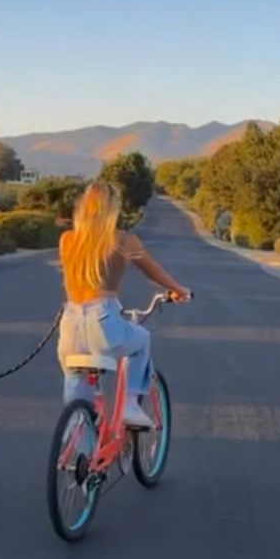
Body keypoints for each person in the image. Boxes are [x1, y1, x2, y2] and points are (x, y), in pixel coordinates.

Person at [57, 181, 190, 430]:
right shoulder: (124, 241)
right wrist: (179, 290)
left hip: (70, 324)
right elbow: (155, 273)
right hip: (102, 320)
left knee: (76, 387)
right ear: (112, 209)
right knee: (142, 340)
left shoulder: (67, 241)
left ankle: (75, 449)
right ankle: (130, 404)